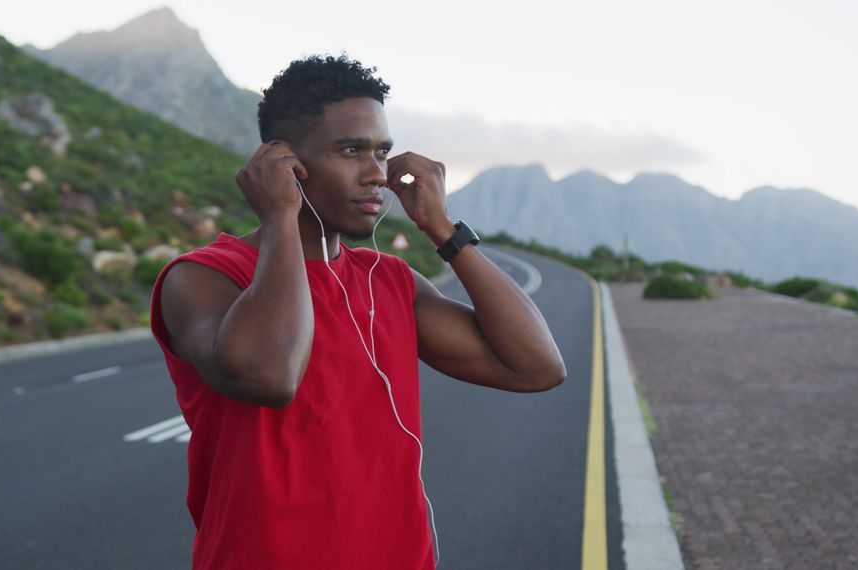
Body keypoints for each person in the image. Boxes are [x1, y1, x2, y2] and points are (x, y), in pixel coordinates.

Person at [149, 54, 566, 570]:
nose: (377, 174)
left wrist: (442, 229)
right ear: (282, 161)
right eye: (351, 150)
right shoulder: (203, 276)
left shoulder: (388, 281)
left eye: (382, 151)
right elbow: (269, 375)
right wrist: (281, 215)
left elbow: (537, 368)